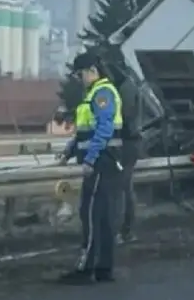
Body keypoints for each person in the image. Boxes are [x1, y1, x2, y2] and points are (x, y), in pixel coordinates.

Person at [57, 51, 124, 285]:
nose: (80, 78)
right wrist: (69, 150)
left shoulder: (102, 93)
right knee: (102, 217)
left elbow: (103, 130)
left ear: (93, 71)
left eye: (81, 73)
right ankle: (103, 269)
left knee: (92, 215)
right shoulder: (95, 93)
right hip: (102, 161)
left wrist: (89, 160)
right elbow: (85, 131)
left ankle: (87, 268)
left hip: (101, 162)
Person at [116, 75, 142, 243]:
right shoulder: (128, 86)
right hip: (129, 143)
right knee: (124, 187)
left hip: (127, 143)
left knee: (122, 187)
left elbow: (125, 116)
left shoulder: (126, 88)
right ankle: (125, 230)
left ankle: (124, 230)